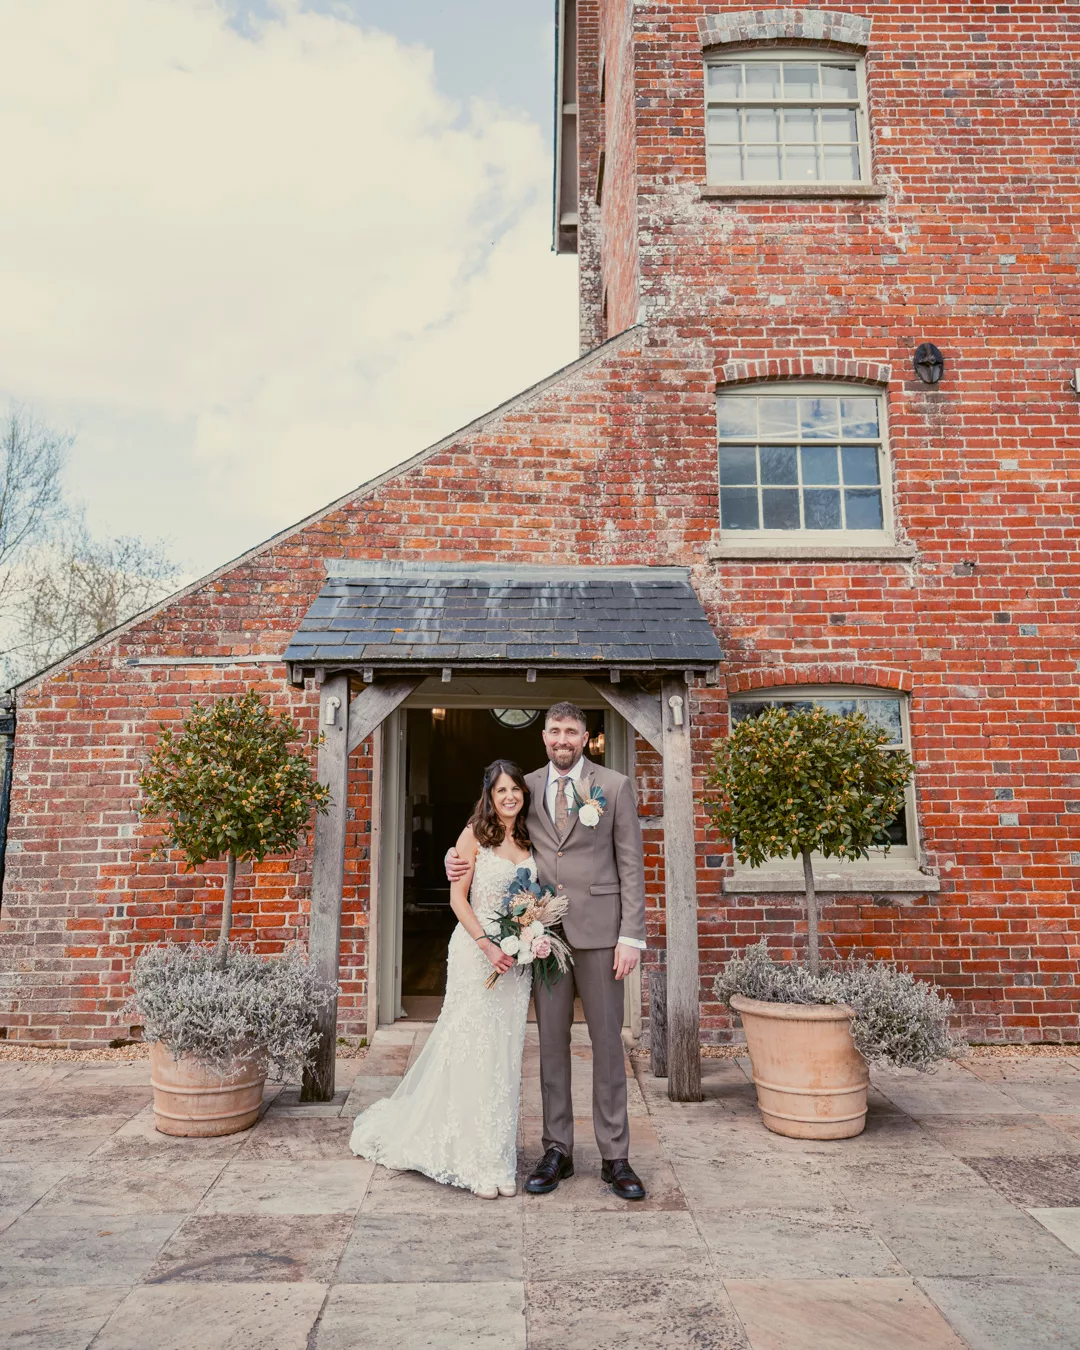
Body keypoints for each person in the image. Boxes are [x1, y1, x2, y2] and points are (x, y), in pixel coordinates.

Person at [446, 702, 648, 1201]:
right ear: (544, 737)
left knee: (607, 1045)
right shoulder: (528, 786)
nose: (563, 739)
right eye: (555, 731)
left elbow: (632, 866)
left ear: (585, 737)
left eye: (572, 732)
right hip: (544, 939)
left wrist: (632, 936)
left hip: (603, 936)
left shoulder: (615, 787)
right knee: (552, 1047)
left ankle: (615, 1157)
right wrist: (454, 857)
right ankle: (556, 1149)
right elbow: (491, 828)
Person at [349, 759, 534, 1198]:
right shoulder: (473, 836)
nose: (509, 797)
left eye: (516, 790)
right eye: (501, 790)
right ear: (488, 795)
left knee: (505, 1056)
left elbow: (533, 899)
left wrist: (529, 935)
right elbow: (457, 897)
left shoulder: (529, 837)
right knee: (470, 1050)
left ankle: (498, 1158)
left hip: (516, 965)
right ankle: (471, 1161)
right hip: (476, 952)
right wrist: (488, 945)